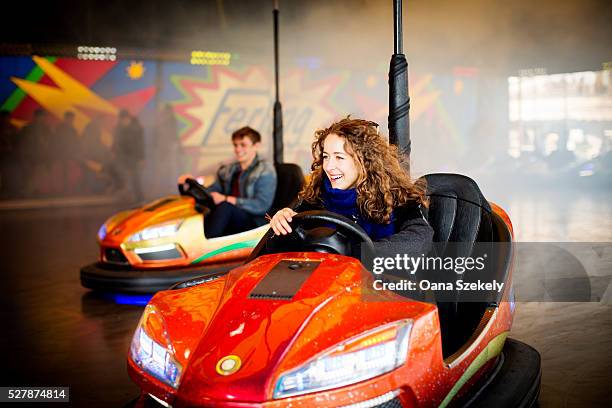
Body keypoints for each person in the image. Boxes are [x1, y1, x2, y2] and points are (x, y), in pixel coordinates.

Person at [270, 117, 433, 257]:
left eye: (339, 158)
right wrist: (283, 218)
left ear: (364, 162)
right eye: (326, 157)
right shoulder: (317, 194)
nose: (329, 166)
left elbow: (419, 239)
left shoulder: (396, 197)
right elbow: (289, 241)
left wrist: (353, 252)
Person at [179, 126, 277, 238]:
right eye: (235, 145)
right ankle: (188, 239)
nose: (238, 149)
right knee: (203, 210)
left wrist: (226, 199)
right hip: (229, 217)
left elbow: (261, 205)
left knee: (225, 207)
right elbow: (212, 191)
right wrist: (192, 186)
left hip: (254, 223)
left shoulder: (265, 170)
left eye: (243, 145)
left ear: (256, 146)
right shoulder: (230, 170)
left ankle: (207, 245)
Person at [113, 109, 144, 202]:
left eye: (123, 120)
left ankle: (139, 198)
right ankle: (128, 197)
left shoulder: (136, 128)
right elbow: (117, 142)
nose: (122, 122)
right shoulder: (120, 128)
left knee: (135, 178)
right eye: (120, 120)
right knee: (124, 177)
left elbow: (140, 145)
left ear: (127, 119)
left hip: (133, 158)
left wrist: (141, 158)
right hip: (123, 157)